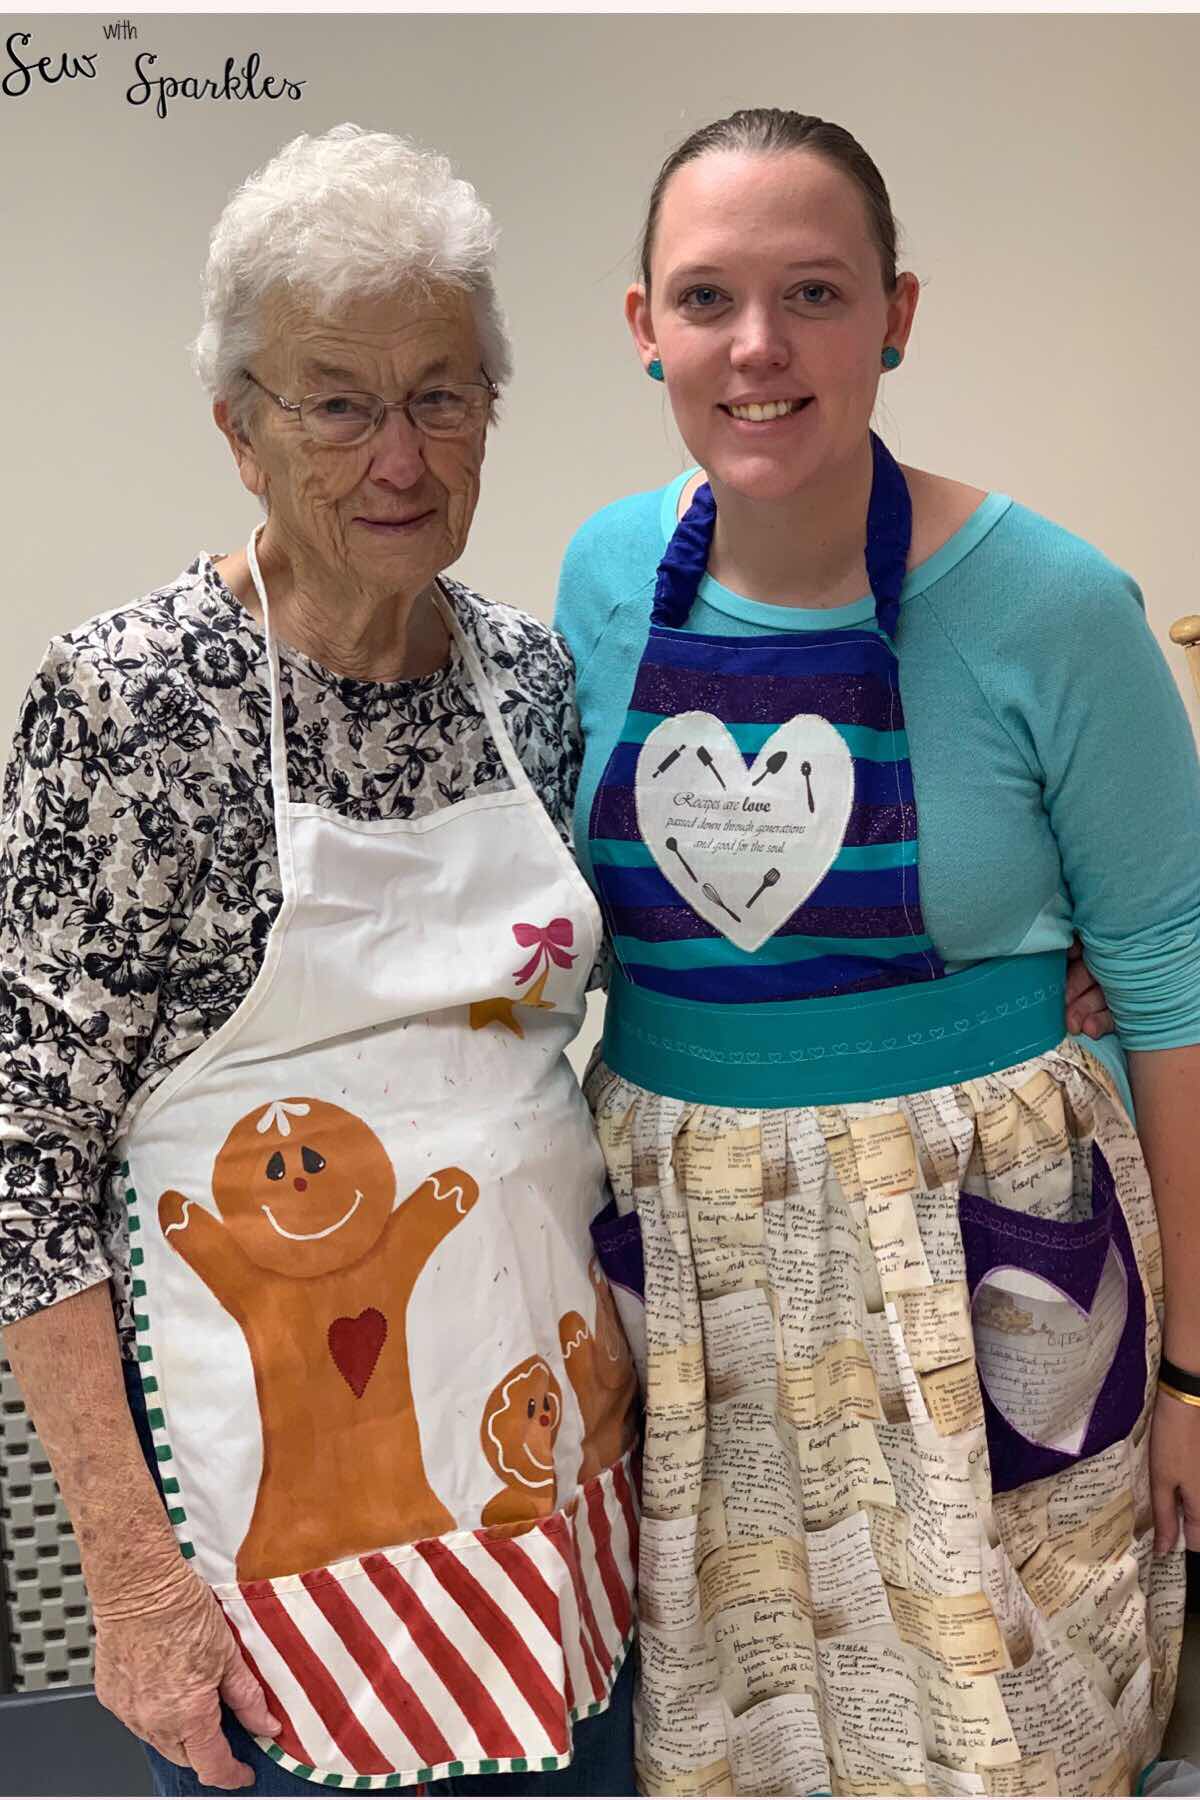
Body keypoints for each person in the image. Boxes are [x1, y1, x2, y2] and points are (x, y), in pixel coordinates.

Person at [555, 108, 1200, 1797]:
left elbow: (1174, 976)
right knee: (734, 1737)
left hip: (984, 1260)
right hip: (694, 1286)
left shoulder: (1054, 606)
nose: (758, 346)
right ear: (645, 328)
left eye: (817, 294)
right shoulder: (602, 580)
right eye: (707, 298)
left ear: (896, 315)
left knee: (1023, 1734)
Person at [0, 125, 640, 1797]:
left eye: (441, 395)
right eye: (338, 404)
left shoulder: (530, 681)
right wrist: (129, 1575)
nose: (400, 455)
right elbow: (22, 1160)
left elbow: (640, 985)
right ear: (241, 429)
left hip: (556, 1479)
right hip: (278, 1534)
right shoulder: (132, 704)